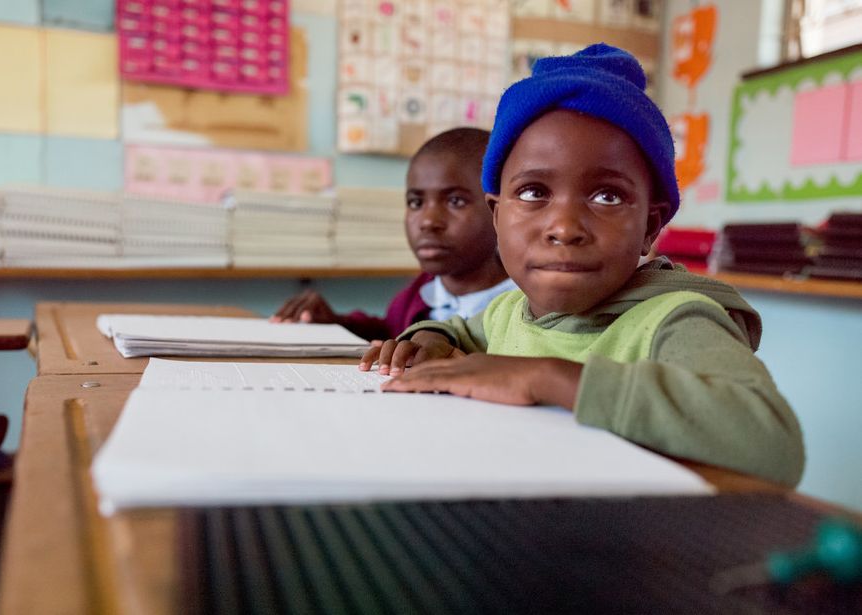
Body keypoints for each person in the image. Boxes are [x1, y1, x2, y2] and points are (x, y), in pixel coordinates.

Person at [360, 44, 804, 487]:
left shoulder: (676, 321)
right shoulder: (506, 314)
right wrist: (427, 340)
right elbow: (455, 331)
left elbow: (771, 441)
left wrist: (546, 378)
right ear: (497, 217)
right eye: (533, 192)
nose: (565, 227)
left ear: (650, 227)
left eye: (607, 196)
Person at [271, 128, 516, 340]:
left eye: (455, 201)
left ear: (499, 210)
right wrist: (335, 322)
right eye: (416, 202)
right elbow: (391, 333)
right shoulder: (422, 291)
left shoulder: (524, 303)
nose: (428, 221)